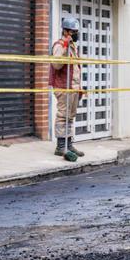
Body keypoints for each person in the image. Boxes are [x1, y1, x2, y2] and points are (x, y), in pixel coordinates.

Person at [49, 16, 83, 162]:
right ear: (66, 31)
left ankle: (69, 144)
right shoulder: (59, 45)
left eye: (76, 31)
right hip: (64, 87)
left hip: (73, 87)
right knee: (63, 116)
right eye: (73, 31)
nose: (75, 34)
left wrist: (79, 87)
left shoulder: (73, 47)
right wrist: (64, 46)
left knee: (70, 116)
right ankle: (61, 147)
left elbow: (75, 68)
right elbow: (56, 65)